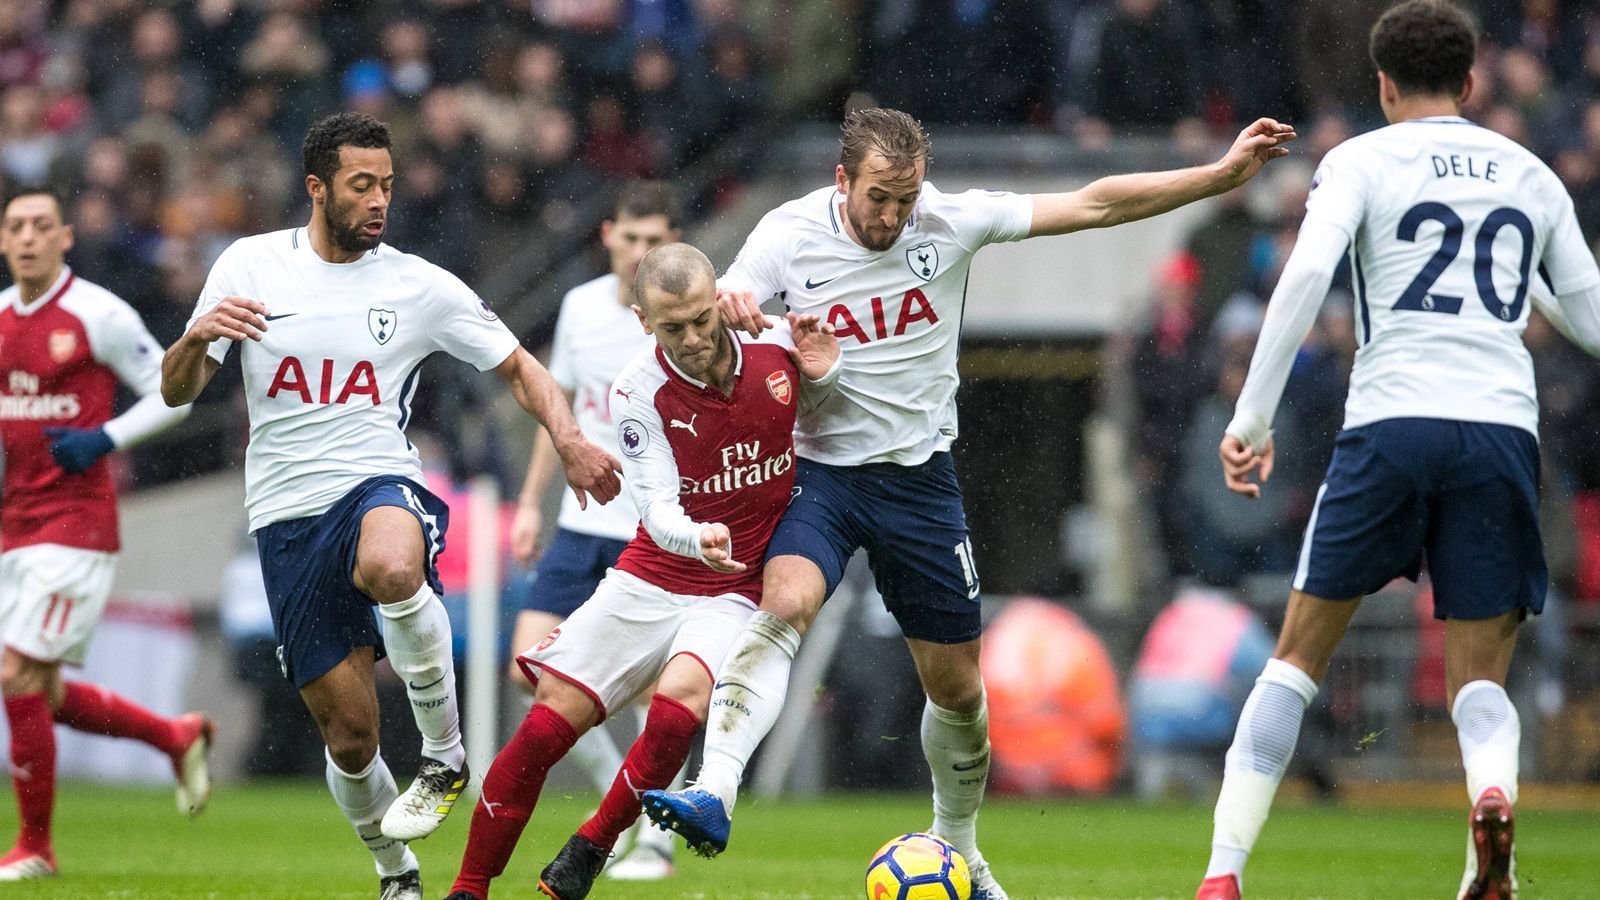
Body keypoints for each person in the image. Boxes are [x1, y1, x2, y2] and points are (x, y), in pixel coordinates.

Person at [645, 105, 1296, 900]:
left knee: (956, 690)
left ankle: (959, 848)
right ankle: (715, 788)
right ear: (841, 179)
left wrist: (1216, 176)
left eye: (906, 199)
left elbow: (1095, 203)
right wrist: (740, 313)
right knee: (785, 602)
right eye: (878, 196)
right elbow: (722, 308)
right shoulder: (786, 234)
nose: (892, 215)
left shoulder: (950, 222)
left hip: (920, 483)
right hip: (824, 475)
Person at [159, 112, 622, 900]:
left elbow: (521, 367)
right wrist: (197, 338)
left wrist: (571, 438)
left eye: (388, 186)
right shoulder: (249, 265)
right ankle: (393, 871)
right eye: (361, 186)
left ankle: (445, 754)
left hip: (378, 480)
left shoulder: (417, 284)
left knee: (391, 562)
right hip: (284, 515)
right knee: (349, 737)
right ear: (317, 189)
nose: (379, 201)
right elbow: (176, 394)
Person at [1195, 4, 1600, 899]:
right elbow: (1593, 313)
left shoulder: (1361, 159)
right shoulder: (1530, 173)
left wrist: (1250, 419)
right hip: (1498, 429)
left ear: (1382, 85)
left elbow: (1307, 275)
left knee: (1295, 660)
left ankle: (1223, 875)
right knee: (1480, 676)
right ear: (1470, 82)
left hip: (1391, 424)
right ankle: (1489, 820)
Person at [442, 243, 841, 900]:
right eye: (670, 326)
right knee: (547, 723)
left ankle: (593, 845)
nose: (690, 338)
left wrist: (827, 374)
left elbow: (836, 417)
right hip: (654, 573)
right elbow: (654, 509)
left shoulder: (778, 348)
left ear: (719, 301)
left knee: (680, 701)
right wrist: (697, 533)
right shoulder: (638, 388)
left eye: (699, 320)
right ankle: (469, 887)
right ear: (642, 320)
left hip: (735, 585)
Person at [0, 188, 207, 881]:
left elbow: (175, 391)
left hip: (77, 524)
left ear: (64, 236)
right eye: (15, 228)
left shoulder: (99, 313)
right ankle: (173, 736)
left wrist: (105, 438)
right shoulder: (0, 318)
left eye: (40, 226)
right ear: (4, 243)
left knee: (14, 673)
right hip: (16, 524)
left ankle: (36, 847)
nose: (28, 238)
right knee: (44, 694)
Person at [503, 180, 680, 880]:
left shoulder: (683, 312)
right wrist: (528, 504)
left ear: (672, 244)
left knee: (649, 689)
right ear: (608, 234)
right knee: (529, 665)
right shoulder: (578, 307)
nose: (641, 252)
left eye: (655, 240)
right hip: (581, 520)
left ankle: (656, 834)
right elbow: (564, 417)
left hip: (649, 524)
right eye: (632, 238)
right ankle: (618, 800)